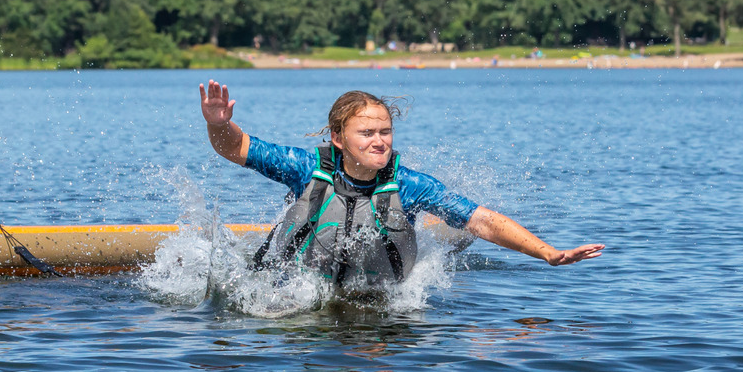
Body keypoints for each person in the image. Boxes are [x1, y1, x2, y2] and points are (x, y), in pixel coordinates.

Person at [198, 81, 603, 290]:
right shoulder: (305, 168)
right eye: (367, 132)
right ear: (339, 138)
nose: (380, 141)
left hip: (379, 299)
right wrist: (219, 124)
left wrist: (548, 254)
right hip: (296, 290)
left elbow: (483, 221)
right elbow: (236, 148)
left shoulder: (409, 186)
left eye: (386, 132)